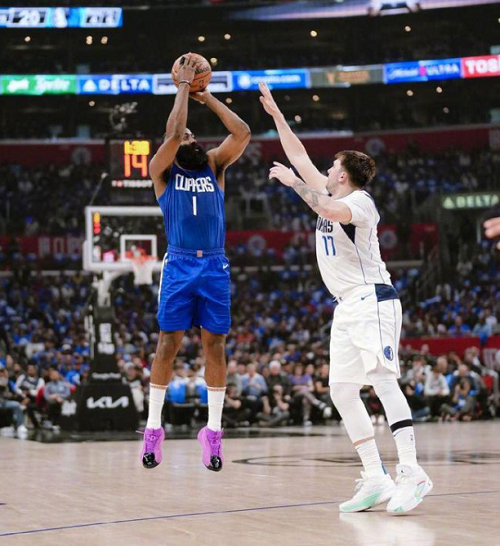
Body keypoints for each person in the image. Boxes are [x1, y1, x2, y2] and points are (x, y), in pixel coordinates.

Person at [259, 82, 432, 514]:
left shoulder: (360, 202)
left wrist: (293, 183)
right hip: (346, 306)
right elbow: (299, 154)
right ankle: (375, 475)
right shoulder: (331, 189)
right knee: (340, 390)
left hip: (373, 299)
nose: (325, 169)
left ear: (342, 174)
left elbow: (326, 209)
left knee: (383, 380)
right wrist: (277, 116)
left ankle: (412, 470)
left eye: (331, 166)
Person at [141, 54, 251, 472]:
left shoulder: (214, 165)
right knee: (167, 344)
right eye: (183, 135)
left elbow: (242, 132)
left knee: (215, 345)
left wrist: (207, 97)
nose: (189, 136)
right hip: (180, 265)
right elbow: (173, 131)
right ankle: (154, 428)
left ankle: (213, 431)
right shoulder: (162, 172)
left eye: (192, 134)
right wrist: (184, 88)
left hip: (214, 266)